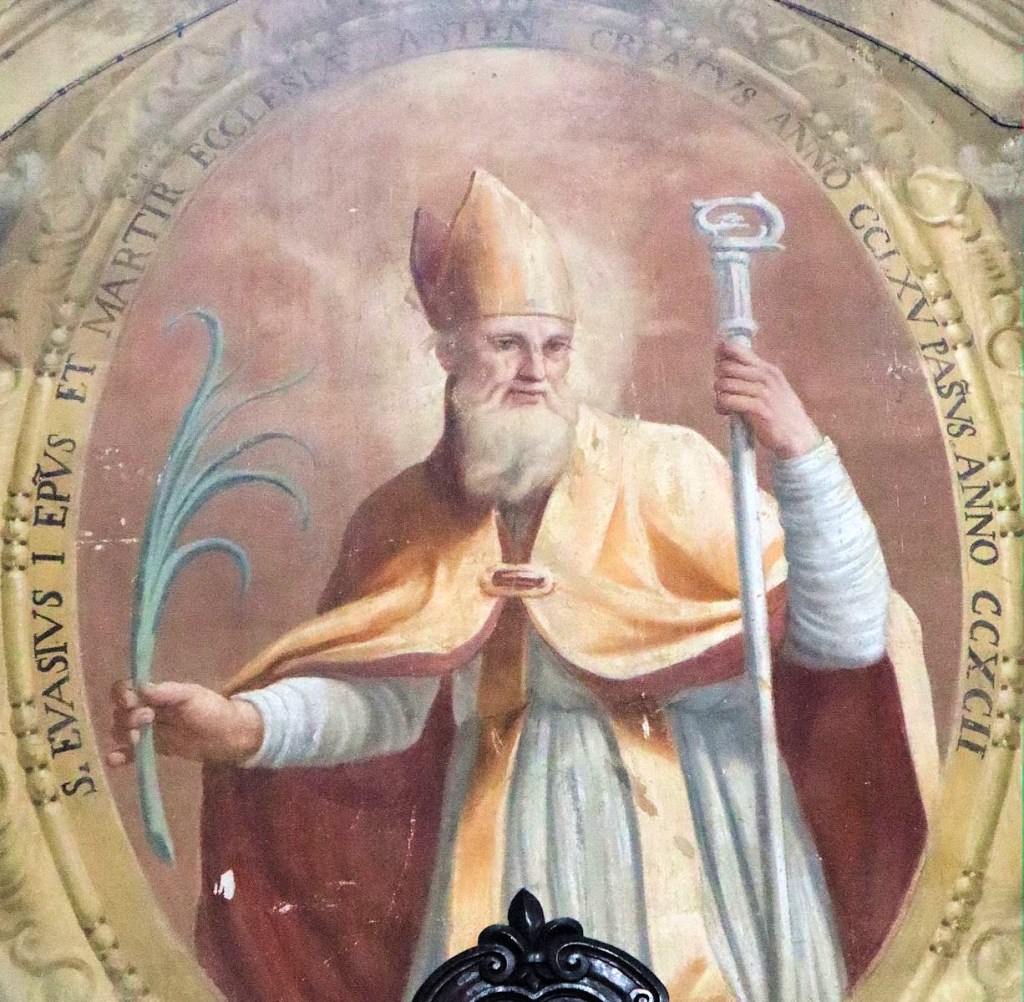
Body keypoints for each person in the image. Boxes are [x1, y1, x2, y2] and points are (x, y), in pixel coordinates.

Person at [108, 171, 937, 1002]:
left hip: (703, 838)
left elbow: (846, 637)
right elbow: (380, 709)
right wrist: (243, 726)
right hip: (498, 846)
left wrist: (798, 450)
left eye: (555, 346)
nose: (535, 371)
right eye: (507, 343)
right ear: (448, 352)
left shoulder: (667, 470)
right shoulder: (403, 515)